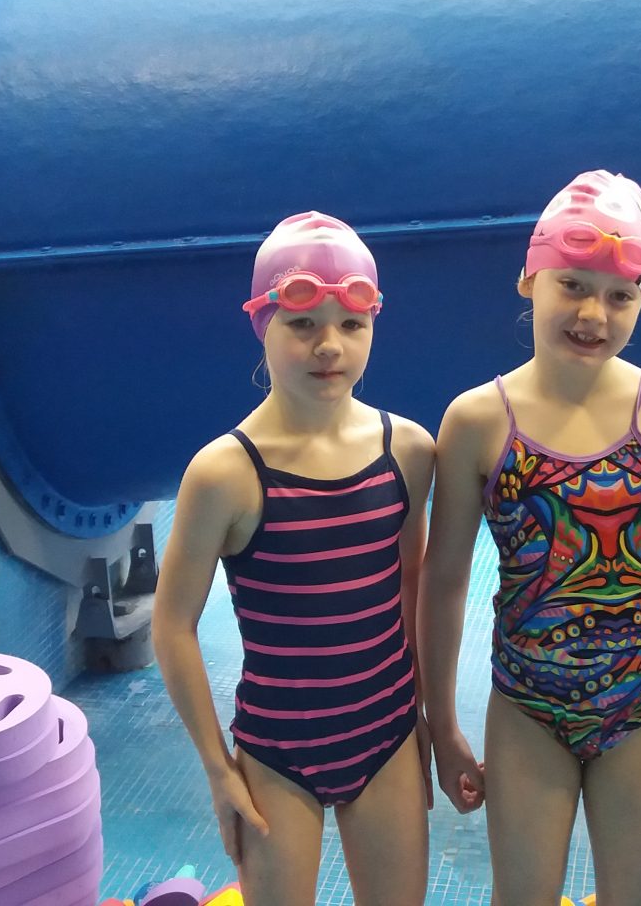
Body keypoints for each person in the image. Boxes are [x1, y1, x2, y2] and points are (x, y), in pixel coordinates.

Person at [419, 170, 641, 906]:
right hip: (527, 708)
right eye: (573, 286)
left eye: (620, 296)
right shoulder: (477, 420)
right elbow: (443, 582)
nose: (594, 314)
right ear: (530, 278)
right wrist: (441, 724)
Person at [153, 212, 434, 906]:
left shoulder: (407, 451)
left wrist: (424, 715)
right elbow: (173, 625)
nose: (329, 346)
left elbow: (413, 587)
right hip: (277, 750)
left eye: (352, 324)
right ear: (262, 323)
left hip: (388, 734)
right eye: (303, 323)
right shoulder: (225, 473)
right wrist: (217, 768)